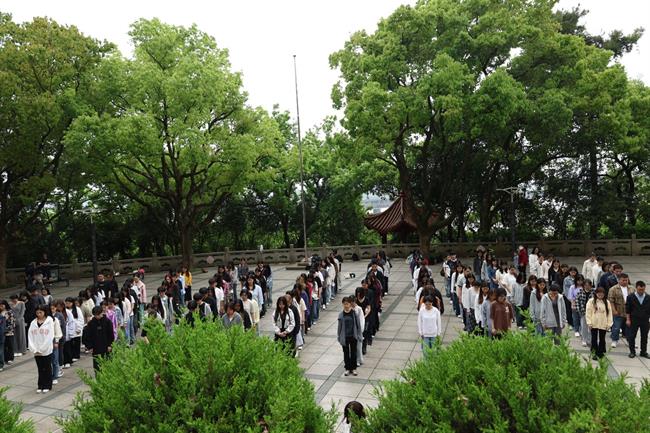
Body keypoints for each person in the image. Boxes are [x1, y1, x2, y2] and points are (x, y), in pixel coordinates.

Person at [28, 305, 54, 393]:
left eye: (41, 312)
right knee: (40, 368)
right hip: (36, 350)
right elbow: (30, 336)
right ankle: (40, 385)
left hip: (46, 350)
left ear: (45, 312)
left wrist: (42, 348)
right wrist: (33, 348)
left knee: (47, 367)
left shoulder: (49, 321)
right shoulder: (33, 322)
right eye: (37, 312)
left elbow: (50, 336)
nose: (39, 314)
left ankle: (47, 385)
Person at [82, 306, 115, 371]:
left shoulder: (107, 322)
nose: (97, 316)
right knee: (97, 367)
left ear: (102, 313)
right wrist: (89, 346)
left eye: (98, 315)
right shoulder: (91, 323)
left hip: (106, 347)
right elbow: (87, 336)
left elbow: (111, 335)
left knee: (108, 365)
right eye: (95, 315)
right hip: (96, 348)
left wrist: (110, 345)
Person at [586, 286, 613, 360]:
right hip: (594, 323)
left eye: (602, 293)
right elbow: (588, 312)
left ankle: (601, 353)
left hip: (603, 323)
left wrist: (609, 324)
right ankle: (594, 353)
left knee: (602, 339)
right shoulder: (591, 301)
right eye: (599, 293)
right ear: (596, 293)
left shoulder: (607, 302)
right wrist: (589, 322)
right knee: (594, 339)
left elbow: (609, 314)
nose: (600, 295)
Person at [338, 296, 362, 376]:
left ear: (350, 304)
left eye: (347, 304)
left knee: (354, 352)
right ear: (342, 304)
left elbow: (358, 325)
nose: (346, 305)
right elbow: (339, 327)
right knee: (346, 353)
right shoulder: (341, 315)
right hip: (344, 337)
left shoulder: (354, 313)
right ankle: (347, 368)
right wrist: (339, 336)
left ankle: (354, 368)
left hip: (353, 336)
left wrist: (359, 335)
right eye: (344, 304)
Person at [626, 280, 650, 359]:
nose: (641, 291)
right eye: (639, 290)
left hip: (645, 320)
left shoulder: (648, 297)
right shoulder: (630, 297)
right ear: (636, 288)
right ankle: (632, 352)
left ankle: (643, 351)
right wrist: (628, 319)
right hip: (634, 319)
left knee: (644, 336)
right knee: (632, 336)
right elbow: (628, 310)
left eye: (643, 290)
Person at [608, 273, 632, 349]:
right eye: (623, 280)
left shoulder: (632, 288)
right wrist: (613, 310)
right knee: (616, 327)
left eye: (626, 280)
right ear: (619, 280)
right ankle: (614, 340)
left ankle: (630, 341)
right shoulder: (613, 289)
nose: (625, 282)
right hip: (618, 311)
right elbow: (611, 301)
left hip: (628, 312)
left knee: (629, 328)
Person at [575, 279, 593, 347]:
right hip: (583, 312)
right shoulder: (580, 292)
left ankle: (590, 340)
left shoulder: (593, 292)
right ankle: (584, 340)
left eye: (588, 285)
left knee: (591, 327)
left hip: (591, 312)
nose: (587, 286)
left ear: (591, 286)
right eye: (585, 285)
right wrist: (579, 311)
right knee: (584, 327)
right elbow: (577, 302)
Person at [0, 300, 16, 367]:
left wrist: (7, 329)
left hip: (9, 332)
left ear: (5, 305)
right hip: (2, 332)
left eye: (2, 305)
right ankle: (5, 358)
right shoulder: (0, 312)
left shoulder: (9, 312)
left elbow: (12, 322)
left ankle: (10, 358)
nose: (1, 307)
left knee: (10, 345)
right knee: (3, 346)